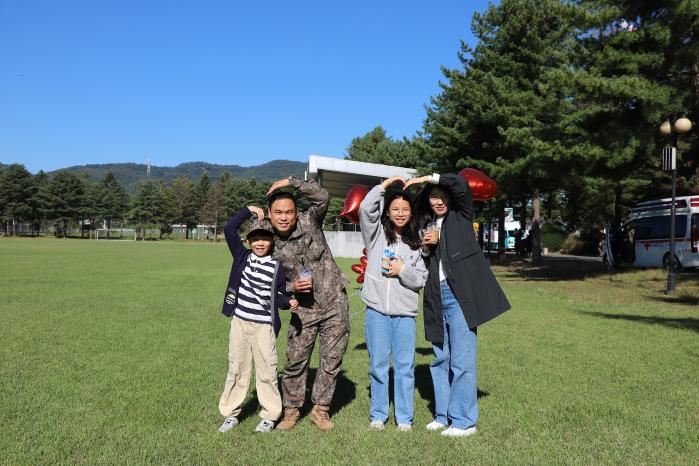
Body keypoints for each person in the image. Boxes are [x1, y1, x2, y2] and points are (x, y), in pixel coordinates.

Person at [404, 173, 511, 438]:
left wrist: (429, 178)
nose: (438, 201)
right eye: (433, 197)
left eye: (442, 196)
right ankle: (443, 416)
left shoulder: (461, 216)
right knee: (441, 358)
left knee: (462, 361)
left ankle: (464, 421)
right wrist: (428, 247)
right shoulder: (427, 223)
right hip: (436, 295)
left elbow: (461, 185)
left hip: (460, 294)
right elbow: (428, 261)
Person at [263, 177, 349, 431]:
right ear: (270, 214)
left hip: (334, 300)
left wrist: (290, 182)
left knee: (331, 360)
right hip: (302, 308)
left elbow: (323, 197)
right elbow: (265, 277)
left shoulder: (309, 220)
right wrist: (291, 287)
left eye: (289, 211)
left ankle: (320, 410)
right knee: (295, 360)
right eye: (278, 212)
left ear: (296, 212)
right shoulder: (266, 239)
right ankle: (291, 410)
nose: (284, 217)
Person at [217, 206, 299, 434]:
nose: (260, 243)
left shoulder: (276, 267)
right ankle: (230, 414)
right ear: (249, 240)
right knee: (237, 368)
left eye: (265, 239)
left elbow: (278, 293)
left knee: (267, 370)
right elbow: (229, 228)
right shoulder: (242, 257)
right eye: (255, 238)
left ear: (272, 242)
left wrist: (288, 302)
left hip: (264, 326)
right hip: (240, 323)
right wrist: (247, 211)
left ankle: (269, 416)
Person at [359, 176, 428, 432]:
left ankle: (404, 419)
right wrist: (384, 187)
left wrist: (402, 270)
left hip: (404, 316)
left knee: (404, 367)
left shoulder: (417, 244)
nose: (400, 214)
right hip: (376, 311)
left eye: (405, 210)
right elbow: (366, 209)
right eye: (395, 209)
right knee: (377, 365)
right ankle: (378, 415)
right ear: (387, 211)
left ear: (411, 214)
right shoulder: (375, 236)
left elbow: (420, 279)